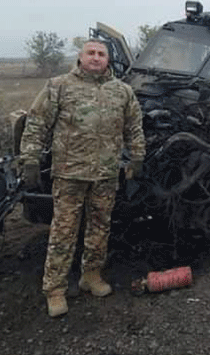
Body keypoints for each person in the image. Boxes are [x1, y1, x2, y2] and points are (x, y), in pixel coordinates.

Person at [20, 39, 146, 317]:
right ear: (80, 57)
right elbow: (37, 123)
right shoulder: (59, 86)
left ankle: (91, 275)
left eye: (101, 54)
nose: (96, 58)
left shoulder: (122, 91)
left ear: (108, 60)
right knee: (63, 232)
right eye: (91, 53)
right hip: (69, 174)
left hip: (105, 175)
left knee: (99, 229)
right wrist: (29, 159)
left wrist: (137, 157)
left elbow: (134, 127)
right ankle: (54, 289)